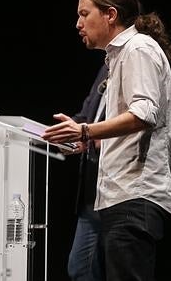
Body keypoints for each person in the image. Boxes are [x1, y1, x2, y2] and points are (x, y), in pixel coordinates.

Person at [42, 0, 171, 281]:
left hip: (134, 196)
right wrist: (83, 138)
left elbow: (144, 113)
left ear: (110, 14)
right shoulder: (118, 57)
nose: (78, 23)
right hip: (117, 195)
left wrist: (86, 131)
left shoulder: (138, 48)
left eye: (84, 14)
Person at [66, 63, 108, 281]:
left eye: (83, 23)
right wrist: (66, 133)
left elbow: (142, 121)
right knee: (80, 268)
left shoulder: (138, 57)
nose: (79, 26)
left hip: (120, 190)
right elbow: (86, 117)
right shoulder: (106, 66)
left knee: (124, 270)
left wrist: (92, 136)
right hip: (92, 193)